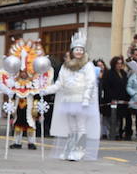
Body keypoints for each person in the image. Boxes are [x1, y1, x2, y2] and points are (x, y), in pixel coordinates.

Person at [42, 32, 100, 161]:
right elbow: (59, 84)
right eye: (76, 49)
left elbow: (90, 83)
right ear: (72, 51)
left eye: (81, 50)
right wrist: (45, 90)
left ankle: (80, 150)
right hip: (68, 100)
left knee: (81, 126)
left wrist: (86, 98)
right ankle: (70, 149)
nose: (78, 52)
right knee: (72, 127)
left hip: (81, 100)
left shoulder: (87, 66)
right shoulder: (65, 66)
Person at [102, 56, 131, 140]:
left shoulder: (123, 73)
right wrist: (111, 97)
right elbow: (106, 87)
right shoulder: (108, 73)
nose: (119, 65)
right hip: (111, 99)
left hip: (121, 99)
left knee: (119, 117)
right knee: (109, 117)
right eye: (118, 63)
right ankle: (109, 132)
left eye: (121, 63)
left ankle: (118, 133)